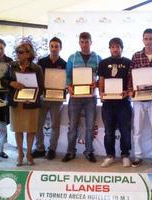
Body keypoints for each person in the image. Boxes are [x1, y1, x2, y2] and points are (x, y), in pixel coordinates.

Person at [128, 28, 152, 168]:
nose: (148, 41)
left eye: (151, 38)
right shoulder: (136, 56)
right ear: (143, 40)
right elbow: (130, 75)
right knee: (137, 129)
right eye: (146, 38)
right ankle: (138, 156)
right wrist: (130, 90)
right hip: (138, 98)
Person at [2, 42, 44, 166]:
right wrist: (12, 83)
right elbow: (3, 81)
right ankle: (20, 154)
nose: (17, 55)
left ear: (28, 53)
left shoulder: (37, 68)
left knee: (31, 130)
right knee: (18, 130)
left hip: (31, 103)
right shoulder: (11, 66)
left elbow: (41, 87)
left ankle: (29, 154)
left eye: (20, 52)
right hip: (16, 103)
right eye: (17, 52)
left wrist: (32, 96)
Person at [62, 32, 101, 163]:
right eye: (82, 42)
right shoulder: (72, 58)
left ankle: (89, 151)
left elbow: (101, 77)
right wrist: (69, 87)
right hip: (75, 97)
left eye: (87, 42)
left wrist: (97, 84)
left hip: (91, 97)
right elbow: (68, 76)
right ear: (79, 43)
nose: (84, 45)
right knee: (73, 126)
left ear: (91, 42)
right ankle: (70, 151)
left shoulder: (97, 58)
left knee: (90, 126)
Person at [98, 38, 132, 167]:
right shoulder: (103, 63)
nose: (115, 49)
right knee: (109, 130)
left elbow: (131, 80)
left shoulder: (128, 62)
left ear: (122, 48)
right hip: (108, 102)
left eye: (117, 47)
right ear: (110, 49)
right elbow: (101, 78)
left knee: (125, 129)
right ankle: (110, 155)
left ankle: (125, 154)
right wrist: (101, 92)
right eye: (112, 47)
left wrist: (128, 91)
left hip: (123, 102)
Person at [32, 37, 67, 160]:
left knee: (55, 125)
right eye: (52, 46)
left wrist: (64, 90)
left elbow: (66, 82)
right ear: (49, 47)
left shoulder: (64, 64)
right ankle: (40, 148)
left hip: (57, 99)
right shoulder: (41, 62)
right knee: (38, 124)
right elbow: (36, 80)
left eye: (56, 46)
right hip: (43, 98)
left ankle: (52, 149)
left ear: (60, 48)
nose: (54, 48)